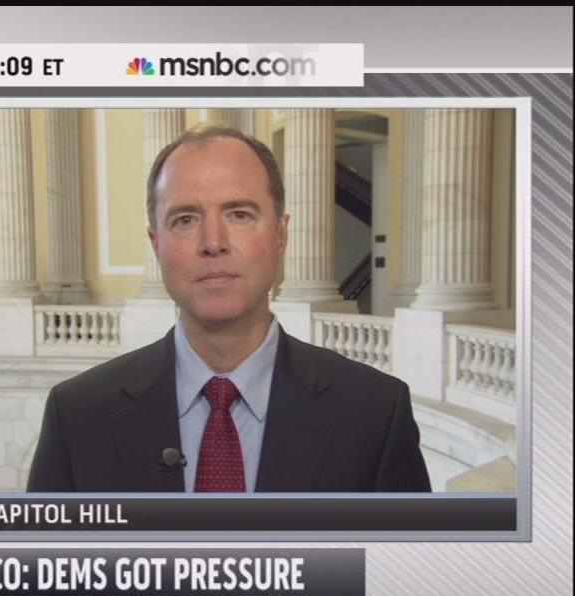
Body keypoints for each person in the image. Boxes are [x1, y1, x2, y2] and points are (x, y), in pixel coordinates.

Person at [27, 125, 430, 493]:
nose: (213, 242)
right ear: (156, 245)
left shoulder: (375, 414)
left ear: (281, 234)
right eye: (185, 219)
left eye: (239, 215)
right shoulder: (77, 417)